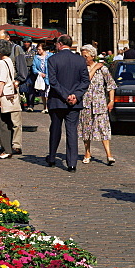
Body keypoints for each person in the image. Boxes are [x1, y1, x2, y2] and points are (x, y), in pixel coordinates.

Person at [46, 33, 90, 172]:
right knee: (72, 131)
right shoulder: (80, 60)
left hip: (58, 100)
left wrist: (66, 96)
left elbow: (53, 81)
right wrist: (75, 95)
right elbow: (85, 81)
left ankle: (52, 157)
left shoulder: (53, 59)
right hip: (74, 102)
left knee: (55, 129)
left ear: (59, 44)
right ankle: (71, 163)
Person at [77, 44, 116, 165]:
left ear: (92, 55)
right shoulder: (81, 69)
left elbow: (111, 85)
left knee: (103, 129)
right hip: (86, 103)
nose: (84, 58)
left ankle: (109, 154)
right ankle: (87, 152)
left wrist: (111, 100)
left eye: (86, 56)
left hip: (100, 103)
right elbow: (85, 81)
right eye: (82, 55)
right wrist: (94, 68)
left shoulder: (103, 69)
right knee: (86, 129)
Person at [0, 39, 22, 159]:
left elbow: (1, 81)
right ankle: (6, 146)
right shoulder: (5, 61)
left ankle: (7, 149)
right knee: (6, 122)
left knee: (2, 123)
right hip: (5, 95)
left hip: (1, 96)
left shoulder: (3, 63)